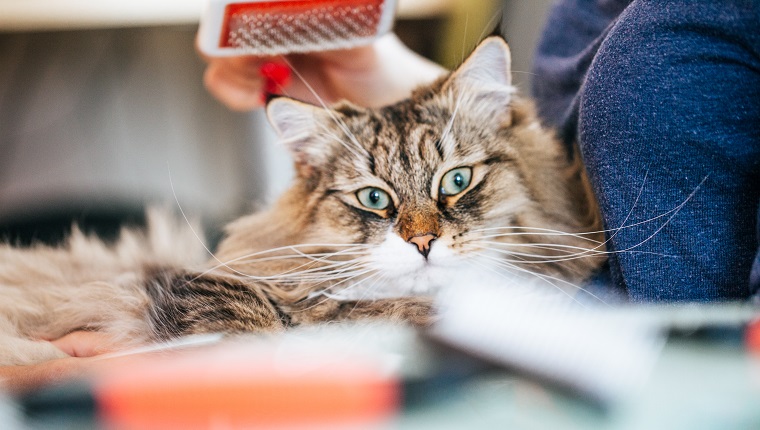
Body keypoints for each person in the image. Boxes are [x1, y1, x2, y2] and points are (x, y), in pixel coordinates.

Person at [4, 0, 759, 392]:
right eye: (381, 206)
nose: (423, 230)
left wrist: (231, 363)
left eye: (452, 193)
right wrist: (374, 71)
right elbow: (533, 148)